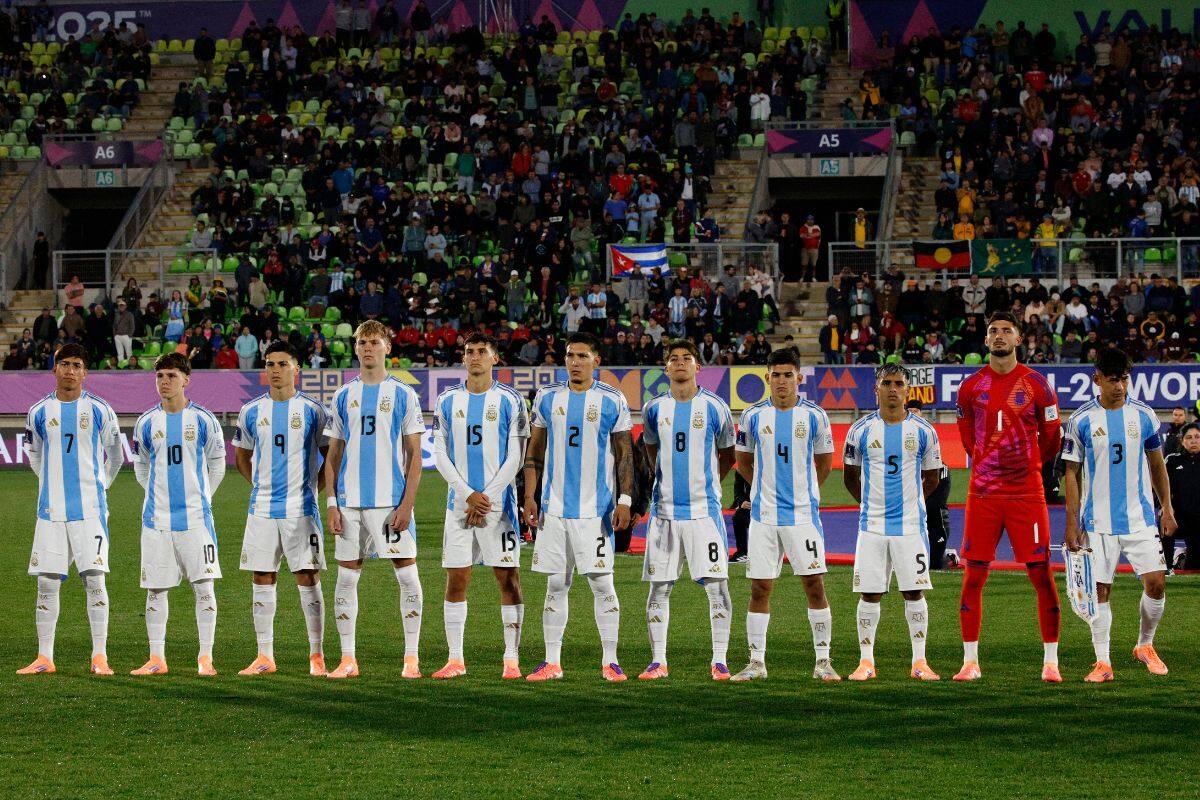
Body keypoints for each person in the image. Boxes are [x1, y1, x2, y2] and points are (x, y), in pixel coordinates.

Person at [955, 311, 1063, 682]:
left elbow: (1052, 438)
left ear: (1019, 339)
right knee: (974, 576)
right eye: (993, 331)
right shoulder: (971, 387)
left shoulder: (1038, 385)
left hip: (1025, 493)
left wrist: (1026, 464)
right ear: (985, 340)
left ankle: (1051, 662)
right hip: (983, 493)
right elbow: (966, 433)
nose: (998, 336)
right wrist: (987, 463)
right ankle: (970, 662)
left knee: (1041, 574)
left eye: (1006, 331)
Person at [522, 332, 635, 682]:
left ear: (596, 361)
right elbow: (534, 451)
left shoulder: (612, 400)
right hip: (553, 510)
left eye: (583, 356)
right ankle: (551, 662)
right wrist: (529, 496)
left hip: (595, 511)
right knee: (556, 585)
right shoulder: (547, 397)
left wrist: (625, 500)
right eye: (570, 355)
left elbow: (624, 455)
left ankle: (611, 661)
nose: (575, 362)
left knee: (602, 585)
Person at [1061, 348, 1175, 681]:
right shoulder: (1081, 420)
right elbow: (1070, 473)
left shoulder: (1145, 416)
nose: (1120, 386)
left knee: (1156, 585)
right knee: (1100, 591)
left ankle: (1145, 645)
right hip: (1097, 521)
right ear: (1097, 380)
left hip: (1140, 518)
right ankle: (1103, 662)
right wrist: (1071, 524)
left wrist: (1166, 507)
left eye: (1124, 378)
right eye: (1112, 380)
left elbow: (1157, 465)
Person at [324, 320, 426, 679]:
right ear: (355, 348)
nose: (368, 348)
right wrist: (332, 504)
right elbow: (333, 456)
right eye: (362, 342)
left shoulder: (403, 394)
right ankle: (348, 659)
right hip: (349, 503)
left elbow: (415, 456)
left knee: (408, 577)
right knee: (346, 579)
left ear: (387, 348)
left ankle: (410, 658)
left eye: (374, 342)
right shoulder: (341, 396)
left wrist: (406, 505)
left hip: (389, 503)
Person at [730, 348, 839, 682]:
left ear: (798, 378)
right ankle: (756, 663)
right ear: (767, 378)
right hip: (763, 518)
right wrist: (765, 490)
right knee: (760, 588)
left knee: (814, 586)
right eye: (775, 374)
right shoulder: (752, 416)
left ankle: (823, 662)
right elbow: (743, 461)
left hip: (803, 517)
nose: (781, 381)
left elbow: (824, 463)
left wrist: (804, 492)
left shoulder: (815, 416)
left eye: (788, 374)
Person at [430, 333, 529, 679]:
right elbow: (439, 455)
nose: (474, 357)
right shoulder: (446, 401)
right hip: (459, 505)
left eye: (481, 352)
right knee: (457, 578)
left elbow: (516, 456)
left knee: (508, 579)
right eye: (469, 352)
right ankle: (455, 659)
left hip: (499, 506)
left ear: (495, 358)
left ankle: (511, 658)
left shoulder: (511, 400)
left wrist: (486, 498)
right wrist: (467, 494)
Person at [19, 344, 122, 676]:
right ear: (54, 369)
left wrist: (101, 485)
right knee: (47, 583)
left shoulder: (100, 410)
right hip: (50, 511)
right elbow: (34, 453)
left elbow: (116, 456)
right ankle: (45, 657)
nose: (70, 370)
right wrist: (49, 481)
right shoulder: (38, 411)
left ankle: (100, 656)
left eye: (77, 365)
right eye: (64, 364)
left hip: (90, 511)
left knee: (94, 581)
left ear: (84, 372)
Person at [638, 339, 737, 681]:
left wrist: (708, 485)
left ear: (698, 367)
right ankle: (658, 661)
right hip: (664, 514)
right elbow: (651, 451)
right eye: (673, 359)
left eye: (686, 358)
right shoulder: (654, 409)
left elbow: (727, 454)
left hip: (703, 514)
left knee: (716, 587)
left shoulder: (715, 407)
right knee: (659, 588)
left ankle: (720, 660)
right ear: (666, 368)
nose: (680, 363)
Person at [232, 342, 330, 676]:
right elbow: (241, 456)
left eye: (283, 364)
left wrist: (315, 489)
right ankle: (264, 656)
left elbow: (330, 455)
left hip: (301, 508)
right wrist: (257, 486)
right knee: (262, 576)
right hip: (261, 509)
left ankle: (316, 655)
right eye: (270, 364)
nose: (275, 370)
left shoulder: (313, 411)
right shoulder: (251, 411)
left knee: (307, 576)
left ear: (296, 368)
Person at [843, 365, 943, 681]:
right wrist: (871, 504)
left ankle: (919, 662)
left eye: (899, 383)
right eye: (886, 383)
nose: (892, 389)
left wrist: (912, 504)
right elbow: (849, 475)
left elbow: (932, 476)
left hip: (911, 527)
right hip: (871, 526)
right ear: (876, 389)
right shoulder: (860, 430)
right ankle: (866, 661)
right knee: (870, 593)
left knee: (914, 591)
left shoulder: (925, 431)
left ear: (908, 390)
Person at [129, 353, 226, 676]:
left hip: (196, 520)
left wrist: (202, 498)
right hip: (156, 521)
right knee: (156, 589)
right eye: (160, 376)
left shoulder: (203, 420)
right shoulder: (146, 422)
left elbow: (217, 464)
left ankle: (205, 658)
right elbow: (141, 465)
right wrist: (155, 494)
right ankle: (157, 658)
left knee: (204, 587)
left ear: (186, 379)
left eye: (171, 375)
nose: (165, 382)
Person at [907, 399, 953, 568]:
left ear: (921, 413)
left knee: (935, 564)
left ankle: (950, 556)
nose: (912, 413)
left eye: (916, 411)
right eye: (909, 410)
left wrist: (921, 503)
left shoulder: (927, 431)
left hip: (933, 511)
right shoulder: (903, 431)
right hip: (914, 508)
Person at [1164, 424, 1200, 570]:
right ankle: (1166, 568)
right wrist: (1164, 509)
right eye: (1189, 437)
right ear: (1182, 441)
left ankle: (1182, 559)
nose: (1194, 441)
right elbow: (1159, 486)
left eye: (1197, 437)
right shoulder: (1172, 461)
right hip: (1177, 517)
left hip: (1199, 519)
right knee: (1165, 525)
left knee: (1194, 566)